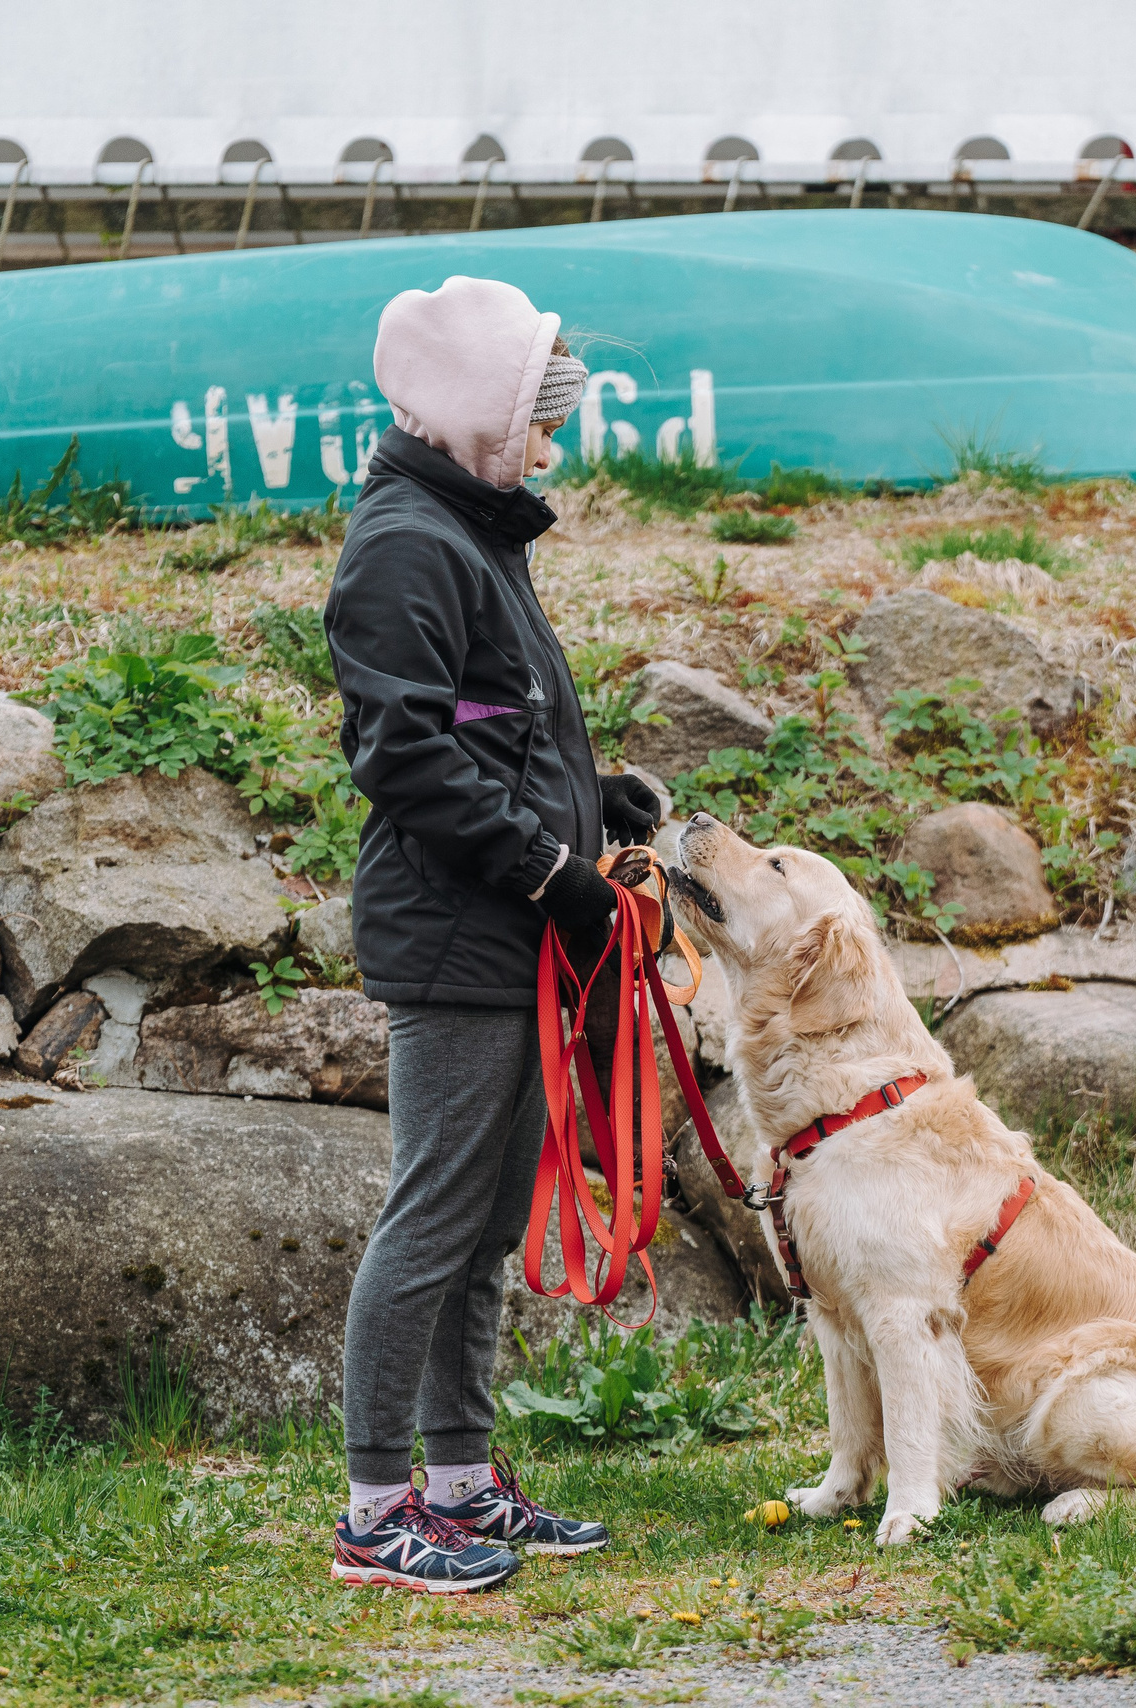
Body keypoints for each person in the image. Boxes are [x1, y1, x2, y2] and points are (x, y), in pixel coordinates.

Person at [322, 275, 662, 1594]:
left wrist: (596, 804)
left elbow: (494, 728)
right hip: (462, 939)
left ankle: (457, 1482)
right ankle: (372, 1513)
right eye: (540, 422)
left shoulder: (469, 532)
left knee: (479, 1226)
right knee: (434, 1218)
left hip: (504, 930)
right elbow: (404, 756)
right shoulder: (408, 544)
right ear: (477, 417)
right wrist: (549, 872)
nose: (552, 447)